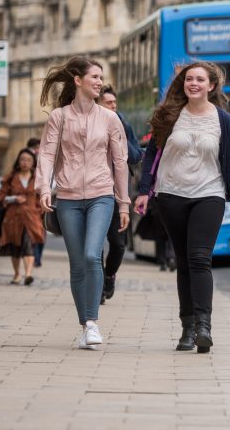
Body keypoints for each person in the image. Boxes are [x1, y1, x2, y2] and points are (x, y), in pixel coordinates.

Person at [133, 62, 230, 353]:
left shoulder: (224, 121)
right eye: (189, 79)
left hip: (209, 194)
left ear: (211, 86)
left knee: (200, 259)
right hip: (171, 194)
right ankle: (187, 329)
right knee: (183, 262)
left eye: (200, 79)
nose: (193, 83)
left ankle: (204, 326)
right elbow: (151, 157)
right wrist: (144, 191)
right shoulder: (170, 115)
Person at [35, 56, 130, 350]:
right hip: (68, 198)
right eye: (95, 77)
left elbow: (120, 161)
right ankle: (85, 325)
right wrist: (43, 188)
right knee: (77, 264)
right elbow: (47, 155)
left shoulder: (110, 118)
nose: (100, 82)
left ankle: (93, 323)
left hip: (102, 195)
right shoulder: (59, 117)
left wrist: (123, 202)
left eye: (101, 78)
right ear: (78, 81)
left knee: (92, 255)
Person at [98, 85, 143, 302]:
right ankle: (97, 288)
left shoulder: (124, 125)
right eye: (109, 103)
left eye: (115, 103)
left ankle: (109, 275)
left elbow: (136, 156)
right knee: (95, 244)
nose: (113, 107)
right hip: (95, 191)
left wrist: (122, 139)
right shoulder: (90, 125)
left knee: (118, 244)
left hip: (118, 194)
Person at [0, 148, 44, 285]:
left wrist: (39, 212)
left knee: (29, 245)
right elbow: (0, 198)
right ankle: (17, 274)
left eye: (29, 160)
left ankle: (28, 274)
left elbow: (42, 199)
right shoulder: (10, 178)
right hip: (13, 218)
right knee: (15, 247)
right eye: (22, 159)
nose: (25, 162)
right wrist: (14, 198)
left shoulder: (37, 179)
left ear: (33, 163)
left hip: (31, 218)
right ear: (18, 161)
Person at [26, 137, 45, 266]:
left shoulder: (43, 160)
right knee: (33, 233)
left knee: (41, 232)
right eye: (36, 148)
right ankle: (35, 258)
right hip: (31, 204)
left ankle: (37, 258)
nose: (37, 151)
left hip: (42, 202)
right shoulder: (27, 160)